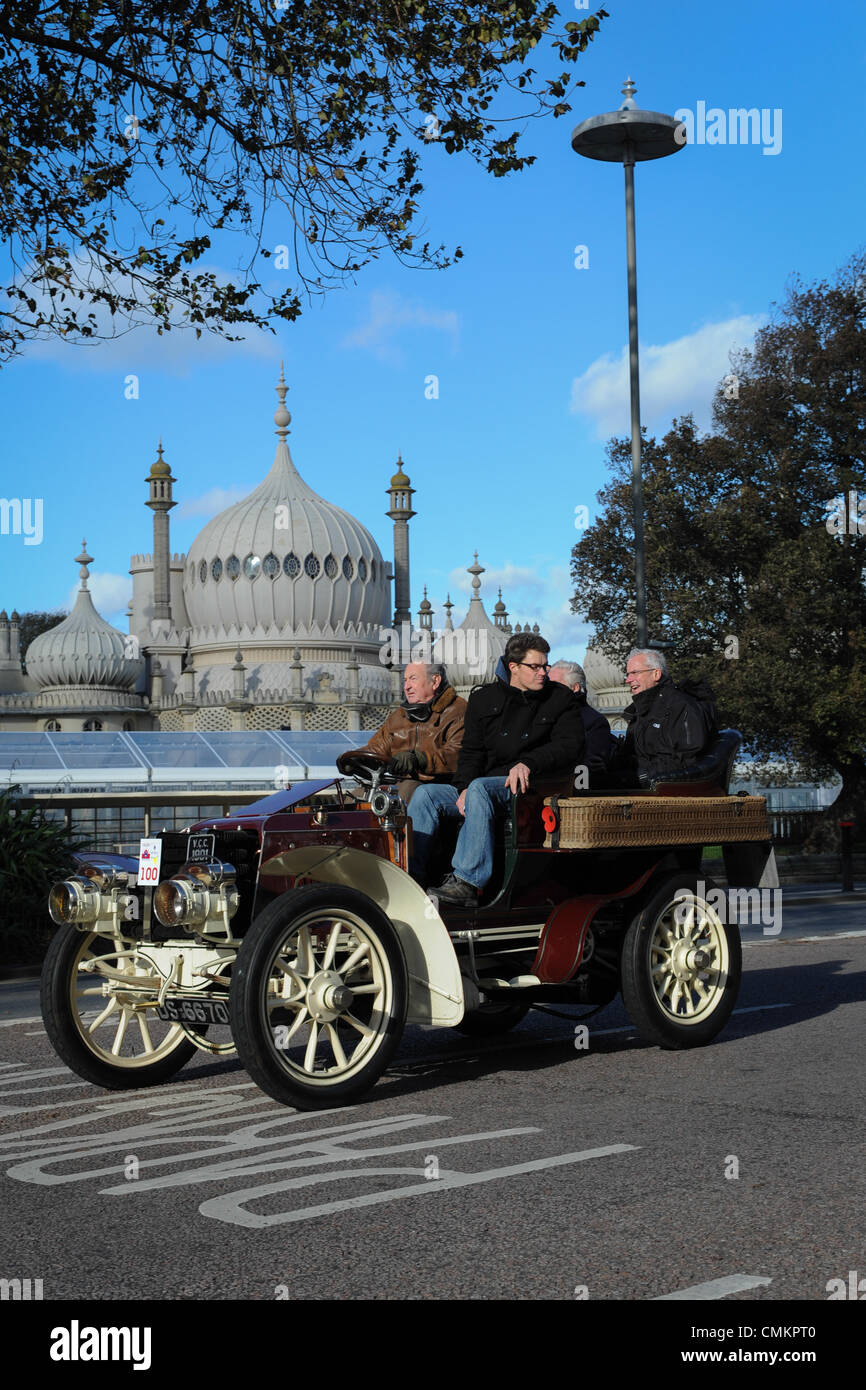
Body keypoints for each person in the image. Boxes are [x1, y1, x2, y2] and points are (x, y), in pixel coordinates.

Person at [409, 633, 585, 905]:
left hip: (532, 786)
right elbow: (471, 752)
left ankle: (468, 882)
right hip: (486, 784)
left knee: (480, 788)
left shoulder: (559, 699)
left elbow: (570, 746)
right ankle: (414, 879)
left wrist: (529, 763)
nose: (543, 673)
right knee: (426, 795)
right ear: (513, 667)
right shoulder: (484, 699)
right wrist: (462, 787)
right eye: (535, 667)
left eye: (545, 666)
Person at [337, 661, 466, 805]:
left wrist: (420, 759)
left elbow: (457, 754)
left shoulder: (457, 711)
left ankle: (397, 828)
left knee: (403, 793)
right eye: (405, 680)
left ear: (435, 681)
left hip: (441, 785)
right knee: (354, 798)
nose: (406, 686)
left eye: (413, 678)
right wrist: (354, 759)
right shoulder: (398, 716)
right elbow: (378, 748)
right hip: (401, 783)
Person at [614, 648, 718, 784]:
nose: (628, 680)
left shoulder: (681, 706)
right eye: (627, 674)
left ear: (656, 674)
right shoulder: (639, 712)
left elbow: (688, 761)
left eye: (635, 673)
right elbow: (631, 755)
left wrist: (642, 776)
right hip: (641, 784)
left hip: (671, 791)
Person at [548, 659, 617, 779]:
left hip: (570, 790)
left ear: (575, 688)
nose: (548, 690)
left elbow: (590, 768)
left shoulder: (595, 722)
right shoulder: (544, 717)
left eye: (555, 686)